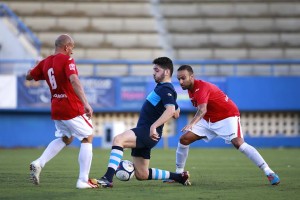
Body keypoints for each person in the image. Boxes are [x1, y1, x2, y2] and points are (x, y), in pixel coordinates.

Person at [173, 64, 280, 185]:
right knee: (184, 139)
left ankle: (269, 172)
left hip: (227, 116)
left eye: (183, 78)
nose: (181, 81)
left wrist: (191, 123)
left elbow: (202, 109)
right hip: (209, 119)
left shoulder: (201, 87)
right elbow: (204, 110)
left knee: (238, 143)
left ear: (192, 77)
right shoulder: (190, 90)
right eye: (179, 79)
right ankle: (179, 175)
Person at [96, 57, 190, 188]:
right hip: (148, 133)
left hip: (148, 131)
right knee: (142, 174)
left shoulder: (166, 89)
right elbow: (174, 111)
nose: (154, 73)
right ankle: (178, 177)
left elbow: (170, 110)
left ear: (167, 72)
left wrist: (154, 126)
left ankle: (108, 178)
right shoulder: (163, 88)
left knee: (118, 140)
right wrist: (176, 107)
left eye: (157, 70)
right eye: (154, 70)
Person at [26, 34, 98, 189]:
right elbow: (74, 80)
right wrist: (86, 103)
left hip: (56, 107)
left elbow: (29, 76)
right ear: (67, 47)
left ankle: (39, 163)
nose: (72, 51)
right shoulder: (67, 60)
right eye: (71, 47)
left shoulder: (45, 62)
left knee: (67, 138)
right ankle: (83, 180)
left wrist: (32, 69)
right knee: (88, 137)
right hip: (71, 106)